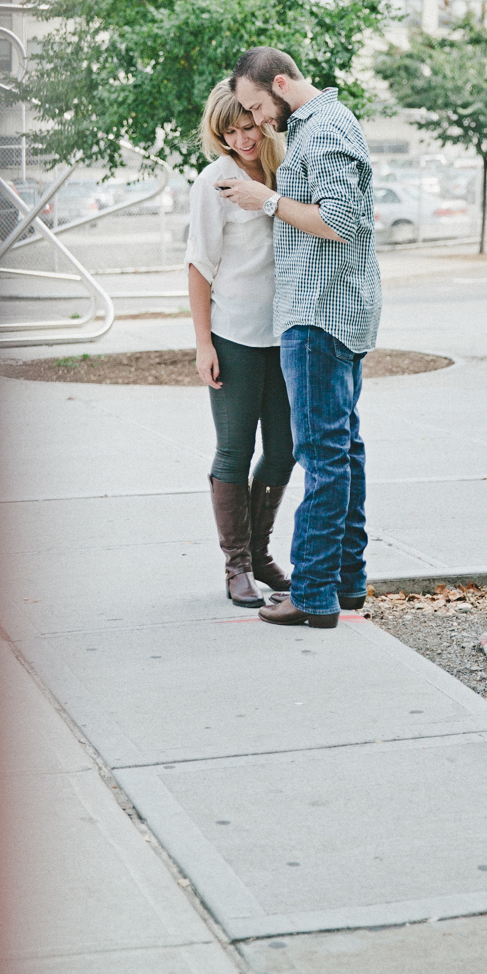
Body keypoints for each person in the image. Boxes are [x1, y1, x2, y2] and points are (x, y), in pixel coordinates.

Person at [217, 47, 381, 630]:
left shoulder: (327, 129)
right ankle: (344, 582)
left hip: (319, 314)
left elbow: (338, 223)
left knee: (322, 456)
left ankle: (312, 593)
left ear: (281, 84)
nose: (259, 121)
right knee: (342, 452)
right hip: (330, 311)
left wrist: (265, 200)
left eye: (258, 106)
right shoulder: (319, 126)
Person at [185, 81, 295, 608]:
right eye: (230, 133)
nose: (242, 139)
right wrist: (203, 343)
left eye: (247, 126)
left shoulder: (283, 168)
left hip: (287, 334)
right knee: (235, 450)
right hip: (233, 336)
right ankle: (237, 566)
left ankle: (260, 551)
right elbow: (199, 265)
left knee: (283, 451)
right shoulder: (214, 181)